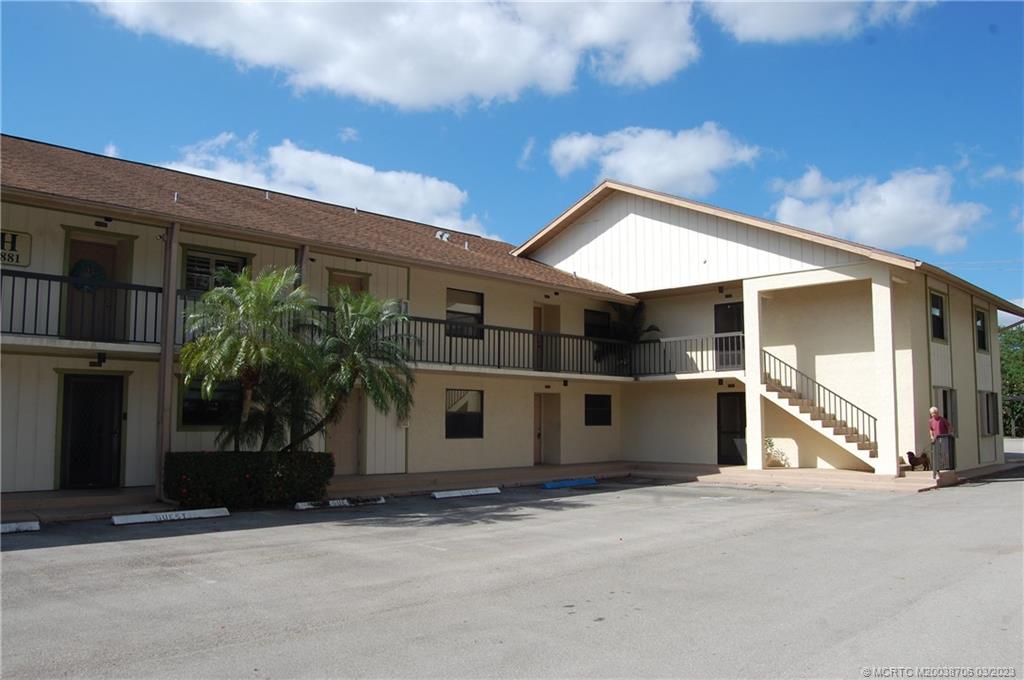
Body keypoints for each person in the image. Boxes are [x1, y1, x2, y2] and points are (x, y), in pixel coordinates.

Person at [929, 406, 954, 471]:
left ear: (938, 413)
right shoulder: (931, 421)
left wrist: (948, 435)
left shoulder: (942, 419)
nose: (933, 414)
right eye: (932, 413)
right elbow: (931, 429)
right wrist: (931, 436)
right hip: (936, 439)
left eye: (935, 413)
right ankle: (938, 467)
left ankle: (945, 466)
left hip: (944, 439)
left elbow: (949, 427)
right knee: (937, 453)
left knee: (944, 453)